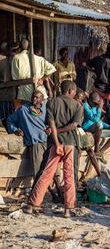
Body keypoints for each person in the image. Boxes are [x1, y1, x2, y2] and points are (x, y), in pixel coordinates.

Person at [24, 80, 84, 218]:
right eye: (74, 92)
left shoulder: (51, 102)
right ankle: (68, 209)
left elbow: (50, 124)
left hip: (54, 144)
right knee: (69, 176)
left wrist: (56, 139)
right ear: (70, 91)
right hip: (70, 143)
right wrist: (60, 131)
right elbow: (74, 125)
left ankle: (32, 205)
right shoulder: (77, 105)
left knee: (46, 174)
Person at [7, 90, 62, 202]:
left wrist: (50, 129)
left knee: (54, 170)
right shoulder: (23, 110)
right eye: (33, 97)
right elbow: (9, 121)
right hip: (35, 143)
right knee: (40, 171)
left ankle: (60, 192)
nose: (34, 100)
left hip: (48, 141)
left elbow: (53, 122)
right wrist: (15, 130)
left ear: (42, 99)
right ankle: (53, 195)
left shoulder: (46, 109)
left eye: (37, 98)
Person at [11, 39, 56, 104]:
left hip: (25, 94)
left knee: (28, 113)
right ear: (29, 47)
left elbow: (15, 78)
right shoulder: (39, 58)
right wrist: (42, 79)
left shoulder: (16, 58)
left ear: (19, 47)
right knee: (41, 113)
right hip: (40, 94)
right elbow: (52, 69)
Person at [82, 92, 110, 161]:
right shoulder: (85, 106)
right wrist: (99, 108)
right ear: (90, 100)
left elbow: (99, 120)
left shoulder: (94, 107)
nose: (96, 105)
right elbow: (95, 120)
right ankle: (97, 149)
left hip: (96, 130)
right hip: (87, 129)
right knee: (99, 124)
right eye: (95, 103)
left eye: (97, 103)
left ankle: (100, 153)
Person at [84, 46, 110, 125]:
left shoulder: (98, 58)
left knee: (95, 104)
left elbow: (86, 64)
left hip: (98, 85)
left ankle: (98, 120)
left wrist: (95, 71)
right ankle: (109, 119)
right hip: (106, 87)